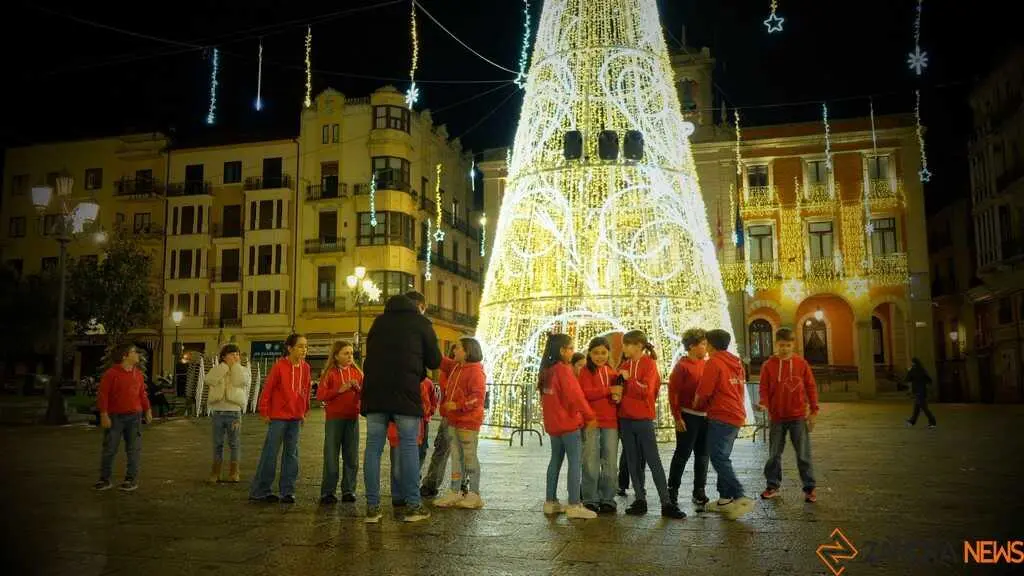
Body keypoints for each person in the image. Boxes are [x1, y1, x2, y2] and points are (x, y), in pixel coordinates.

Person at [361, 292, 441, 524]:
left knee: (373, 448)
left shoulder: (378, 322)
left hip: (375, 392)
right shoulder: (420, 323)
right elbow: (435, 360)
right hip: (405, 392)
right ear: (417, 306)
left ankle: (372, 508)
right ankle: (413, 506)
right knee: (408, 446)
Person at [617, 330, 687, 519]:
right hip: (625, 419)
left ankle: (666, 502)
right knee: (632, 460)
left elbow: (647, 391)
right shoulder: (624, 364)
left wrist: (628, 380)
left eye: (626, 344)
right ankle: (640, 499)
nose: (623, 348)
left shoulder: (649, 364)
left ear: (638, 345)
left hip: (643, 419)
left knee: (653, 460)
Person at [694, 329, 755, 520]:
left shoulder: (714, 362)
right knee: (723, 456)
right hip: (735, 414)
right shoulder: (735, 361)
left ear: (710, 344)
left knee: (719, 458)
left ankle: (739, 495)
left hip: (722, 415)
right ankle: (724, 499)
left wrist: (697, 405)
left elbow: (704, 391)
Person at [538, 333, 598, 519]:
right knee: (574, 462)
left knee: (555, 460)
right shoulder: (563, 369)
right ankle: (574, 504)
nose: (573, 351)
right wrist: (589, 416)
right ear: (562, 350)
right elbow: (575, 395)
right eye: (571, 348)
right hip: (569, 423)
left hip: (553, 424)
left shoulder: (546, 371)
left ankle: (550, 501)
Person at [757, 328, 819, 503]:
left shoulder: (801, 364)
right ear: (776, 344)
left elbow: (811, 387)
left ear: (794, 345)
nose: (784, 348)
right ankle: (772, 486)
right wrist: (764, 404)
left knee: (803, 454)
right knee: (774, 454)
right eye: (781, 345)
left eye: (788, 345)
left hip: (798, 416)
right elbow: (764, 388)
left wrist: (814, 411)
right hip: (777, 417)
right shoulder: (768, 366)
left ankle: (809, 488)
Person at [249, 334, 311, 504]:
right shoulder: (279, 366)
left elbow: (305, 390)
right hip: (278, 417)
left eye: (306, 346)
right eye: (300, 346)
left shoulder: (306, 368)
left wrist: (304, 411)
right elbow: (267, 389)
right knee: (270, 453)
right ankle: (260, 490)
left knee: (292, 454)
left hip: (296, 417)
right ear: (290, 348)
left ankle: (287, 491)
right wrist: (264, 411)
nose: (304, 350)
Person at [433, 337, 487, 509]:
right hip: (454, 420)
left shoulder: (475, 371)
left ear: (467, 351)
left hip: (468, 422)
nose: (454, 350)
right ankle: (456, 491)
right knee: (457, 457)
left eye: (457, 348)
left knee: (469, 457)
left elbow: (478, 397)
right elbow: (440, 361)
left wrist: (458, 405)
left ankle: (474, 493)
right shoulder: (457, 367)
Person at [93, 342, 152, 492]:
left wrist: (147, 409)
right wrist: (104, 414)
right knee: (110, 448)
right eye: (134, 352)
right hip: (115, 417)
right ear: (125, 356)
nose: (138, 354)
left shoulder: (137, 374)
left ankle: (130, 479)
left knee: (133, 449)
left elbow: (142, 394)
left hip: (134, 417)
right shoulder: (111, 374)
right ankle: (104, 479)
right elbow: (103, 395)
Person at [667, 328, 710, 508]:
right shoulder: (682, 366)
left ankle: (699, 491)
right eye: (703, 344)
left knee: (703, 456)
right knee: (682, 454)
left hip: (706, 417)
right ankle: (672, 490)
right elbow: (673, 392)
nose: (706, 347)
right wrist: (677, 417)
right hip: (688, 416)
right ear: (692, 346)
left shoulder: (708, 364)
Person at [318, 341, 363, 505]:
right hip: (334, 419)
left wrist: (359, 390)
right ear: (336, 356)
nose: (350, 356)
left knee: (352, 456)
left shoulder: (358, 373)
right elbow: (321, 395)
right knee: (331, 455)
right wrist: (339, 390)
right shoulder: (329, 372)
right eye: (346, 353)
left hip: (352, 419)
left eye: (351, 353)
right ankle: (328, 492)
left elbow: (365, 396)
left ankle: (349, 490)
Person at [578, 336, 619, 514]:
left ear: (608, 353)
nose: (600, 356)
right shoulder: (585, 372)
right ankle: (589, 498)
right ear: (590, 354)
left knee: (610, 460)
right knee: (590, 460)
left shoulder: (612, 373)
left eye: (603, 352)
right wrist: (608, 390)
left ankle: (608, 498)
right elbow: (584, 393)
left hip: (610, 422)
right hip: (591, 422)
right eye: (596, 353)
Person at [205, 343, 251, 484]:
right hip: (218, 411)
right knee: (217, 443)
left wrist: (235, 366)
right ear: (224, 356)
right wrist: (224, 367)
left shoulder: (243, 370)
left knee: (234, 443)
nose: (235, 356)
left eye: (237, 354)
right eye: (231, 354)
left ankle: (234, 472)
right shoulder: (218, 369)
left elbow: (240, 382)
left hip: (234, 412)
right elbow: (209, 380)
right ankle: (215, 472)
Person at [388, 377, 435, 508]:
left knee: (410, 463)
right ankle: (398, 495)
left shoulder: (422, 383)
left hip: (412, 431)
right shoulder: (392, 382)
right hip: (396, 431)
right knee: (397, 466)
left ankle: (408, 495)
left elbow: (427, 405)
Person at [421, 343, 460, 499]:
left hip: (461, 417)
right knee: (441, 449)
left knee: (459, 453)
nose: (455, 350)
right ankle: (431, 484)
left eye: (460, 348)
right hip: (447, 416)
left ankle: (462, 486)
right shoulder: (449, 368)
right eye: (455, 348)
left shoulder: (465, 369)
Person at [905, 357, 937, 428]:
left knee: (924, 408)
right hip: (922, 391)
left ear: (913, 363)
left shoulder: (913, 370)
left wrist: (909, 371)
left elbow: (907, 379)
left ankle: (933, 422)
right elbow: (929, 380)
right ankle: (912, 421)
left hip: (917, 391)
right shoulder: (922, 370)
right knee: (917, 408)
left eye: (911, 362)